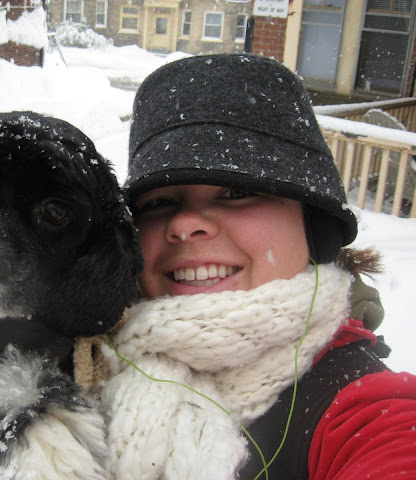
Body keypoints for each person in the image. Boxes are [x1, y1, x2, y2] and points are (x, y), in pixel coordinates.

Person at [90, 53, 416, 479]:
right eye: (160, 202)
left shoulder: (368, 410)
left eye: (236, 193)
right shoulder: (81, 359)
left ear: (313, 227)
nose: (184, 225)